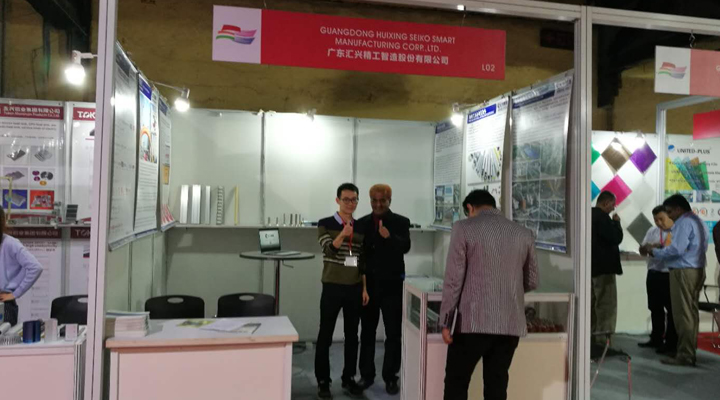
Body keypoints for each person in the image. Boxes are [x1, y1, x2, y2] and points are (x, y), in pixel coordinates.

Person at [439, 190, 538, 400]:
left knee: (456, 383)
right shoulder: (523, 233)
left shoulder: (463, 228)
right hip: (510, 324)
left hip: (472, 322)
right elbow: (532, 280)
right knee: (497, 385)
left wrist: (446, 321)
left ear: (470, 208)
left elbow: (454, 280)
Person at [315, 183, 369, 399]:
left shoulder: (361, 227)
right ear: (337, 200)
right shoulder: (325, 223)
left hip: (354, 288)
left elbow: (362, 261)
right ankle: (323, 381)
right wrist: (343, 234)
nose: (350, 204)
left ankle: (349, 377)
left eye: (354, 199)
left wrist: (364, 288)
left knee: (352, 336)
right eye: (346, 199)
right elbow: (328, 249)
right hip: (332, 286)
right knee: (325, 334)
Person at [642, 194, 709, 367]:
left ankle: (685, 355)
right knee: (690, 313)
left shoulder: (683, 222)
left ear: (679, 209)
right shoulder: (698, 221)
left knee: (683, 315)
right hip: (696, 269)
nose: (669, 216)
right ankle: (687, 350)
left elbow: (676, 250)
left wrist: (654, 251)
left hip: (683, 271)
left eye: (670, 212)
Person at [357, 184, 410, 395]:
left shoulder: (401, 222)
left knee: (393, 334)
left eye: (382, 201)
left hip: (392, 286)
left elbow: (405, 247)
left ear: (389, 201)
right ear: (370, 201)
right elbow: (359, 255)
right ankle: (366, 375)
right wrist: (360, 285)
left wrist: (390, 237)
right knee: (367, 333)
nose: (378, 204)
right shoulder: (361, 224)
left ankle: (390, 377)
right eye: (374, 200)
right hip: (368, 287)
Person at [637, 206, 677, 354]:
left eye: (661, 219)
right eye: (656, 220)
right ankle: (656, 338)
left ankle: (670, 342)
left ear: (669, 216)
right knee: (655, 307)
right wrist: (645, 248)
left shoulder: (676, 231)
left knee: (671, 310)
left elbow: (672, 251)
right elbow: (642, 251)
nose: (659, 222)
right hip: (653, 272)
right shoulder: (652, 231)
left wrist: (656, 247)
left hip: (668, 274)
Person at [0, 208, 44, 326]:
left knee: (4, 337)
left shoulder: (10, 243)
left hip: (4, 303)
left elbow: (35, 267)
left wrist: (15, 294)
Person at [591, 191, 623, 349]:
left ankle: (591, 337)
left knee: (592, 304)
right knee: (606, 305)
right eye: (612, 205)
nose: (613, 208)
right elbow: (616, 238)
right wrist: (617, 223)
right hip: (605, 269)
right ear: (605, 203)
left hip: (591, 268)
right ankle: (604, 341)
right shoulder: (603, 218)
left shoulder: (588, 215)